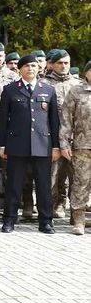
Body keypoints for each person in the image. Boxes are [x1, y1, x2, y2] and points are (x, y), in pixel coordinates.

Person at [0, 55, 62, 234]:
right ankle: (9, 220)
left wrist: (55, 146)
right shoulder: (10, 90)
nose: (30, 69)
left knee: (44, 186)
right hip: (17, 144)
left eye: (34, 66)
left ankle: (46, 221)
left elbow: (54, 121)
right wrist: (2, 145)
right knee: (14, 184)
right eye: (26, 66)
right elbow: (3, 120)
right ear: (20, 69)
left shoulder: (48, 90)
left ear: (39, 68)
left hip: (42, 145)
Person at [41, 49, 81, 218]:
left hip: (76, 139)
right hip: (52, 138)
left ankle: (75, 213)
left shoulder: (78, 85)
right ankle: (48, 211)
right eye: (60, 63)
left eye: (66, 63)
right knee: (52, 177)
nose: (63, 66)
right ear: (53, 65)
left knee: (76, 178)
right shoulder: (44, 84)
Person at [59, 61, 91, 234]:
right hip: (82, 145)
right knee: (80, 183)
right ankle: (79, 220)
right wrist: (64, 143)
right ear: (86, 73)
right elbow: (66, 119)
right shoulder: (76, 91)